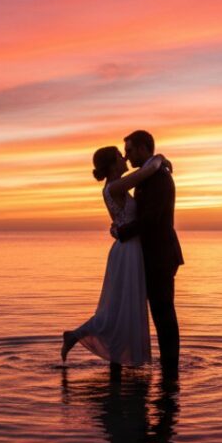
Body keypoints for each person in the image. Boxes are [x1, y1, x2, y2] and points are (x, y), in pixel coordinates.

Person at [60, 145, 169, 367]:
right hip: (127, 251)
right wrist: (159, 157)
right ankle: (76, 336)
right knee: (117, 307)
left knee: (121, 307)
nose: (125, 157)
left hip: (128, 249)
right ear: (112, 164)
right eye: (120, 156)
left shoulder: (116, 186)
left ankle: (115, 359)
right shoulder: (116, 186)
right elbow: (147, 171)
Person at [114, 130, 183, 376]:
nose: (127, 156)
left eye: (130, 150)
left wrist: (122, 232)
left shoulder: (159, 179)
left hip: (160, 255)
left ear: (144, 149)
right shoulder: (148, 176)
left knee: (164, 313)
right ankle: (165, 367)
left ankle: (171, 370)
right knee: (157, 312)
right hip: (149, 255)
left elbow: (150, 219)